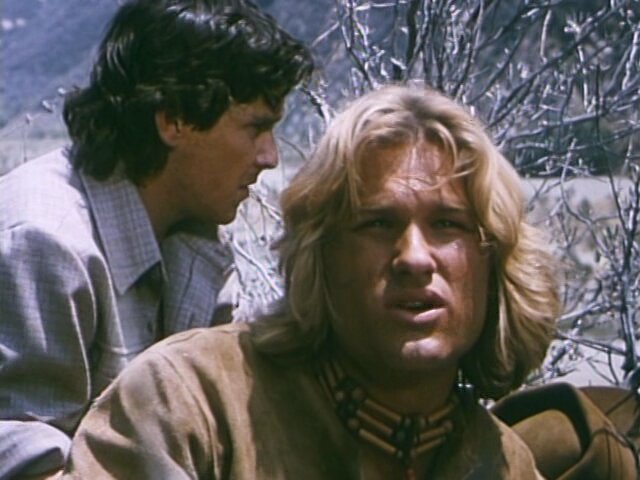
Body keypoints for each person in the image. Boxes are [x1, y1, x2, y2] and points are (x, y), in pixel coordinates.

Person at [63, 85, 560, 479]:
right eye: (378, 223)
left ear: (493, 261)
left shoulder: (503, 463)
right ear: (322, 254)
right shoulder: (189, 404)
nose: (413, 258)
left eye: (448, 224)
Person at [0, 0, 312, 477]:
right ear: (174, 121)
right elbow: (26, 464)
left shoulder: (189, 234)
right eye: (256, 128)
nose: (269, 156)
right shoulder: (46, 244)